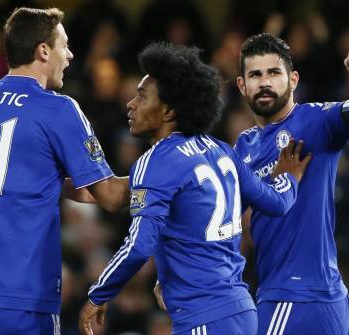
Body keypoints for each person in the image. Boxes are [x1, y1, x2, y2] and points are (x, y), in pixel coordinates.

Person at [78, 42, 312, 335]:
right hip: (242, 309)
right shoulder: (223, 150)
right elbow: (277, 202)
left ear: (168, 110)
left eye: (141, 96)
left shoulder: (157, 160)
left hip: (203, 317)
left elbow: (138, 246)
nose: (131, 104)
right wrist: (289, 178)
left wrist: (98, 294)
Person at [0, 7, 129, 334]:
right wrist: (168, 179)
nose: (69, 55)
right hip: (19, 294)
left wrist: (59, 184)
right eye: (63, 45)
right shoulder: (58, 108)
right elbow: (111, 196)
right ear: (43, 50)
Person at [233, 20, 349, 334]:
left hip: (296, 296)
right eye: (255, 75)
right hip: (313, 295)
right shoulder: (243, 146)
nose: (265, 82)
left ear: (293, 79)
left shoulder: (315, 121)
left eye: (274, 72)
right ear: (242, 86)